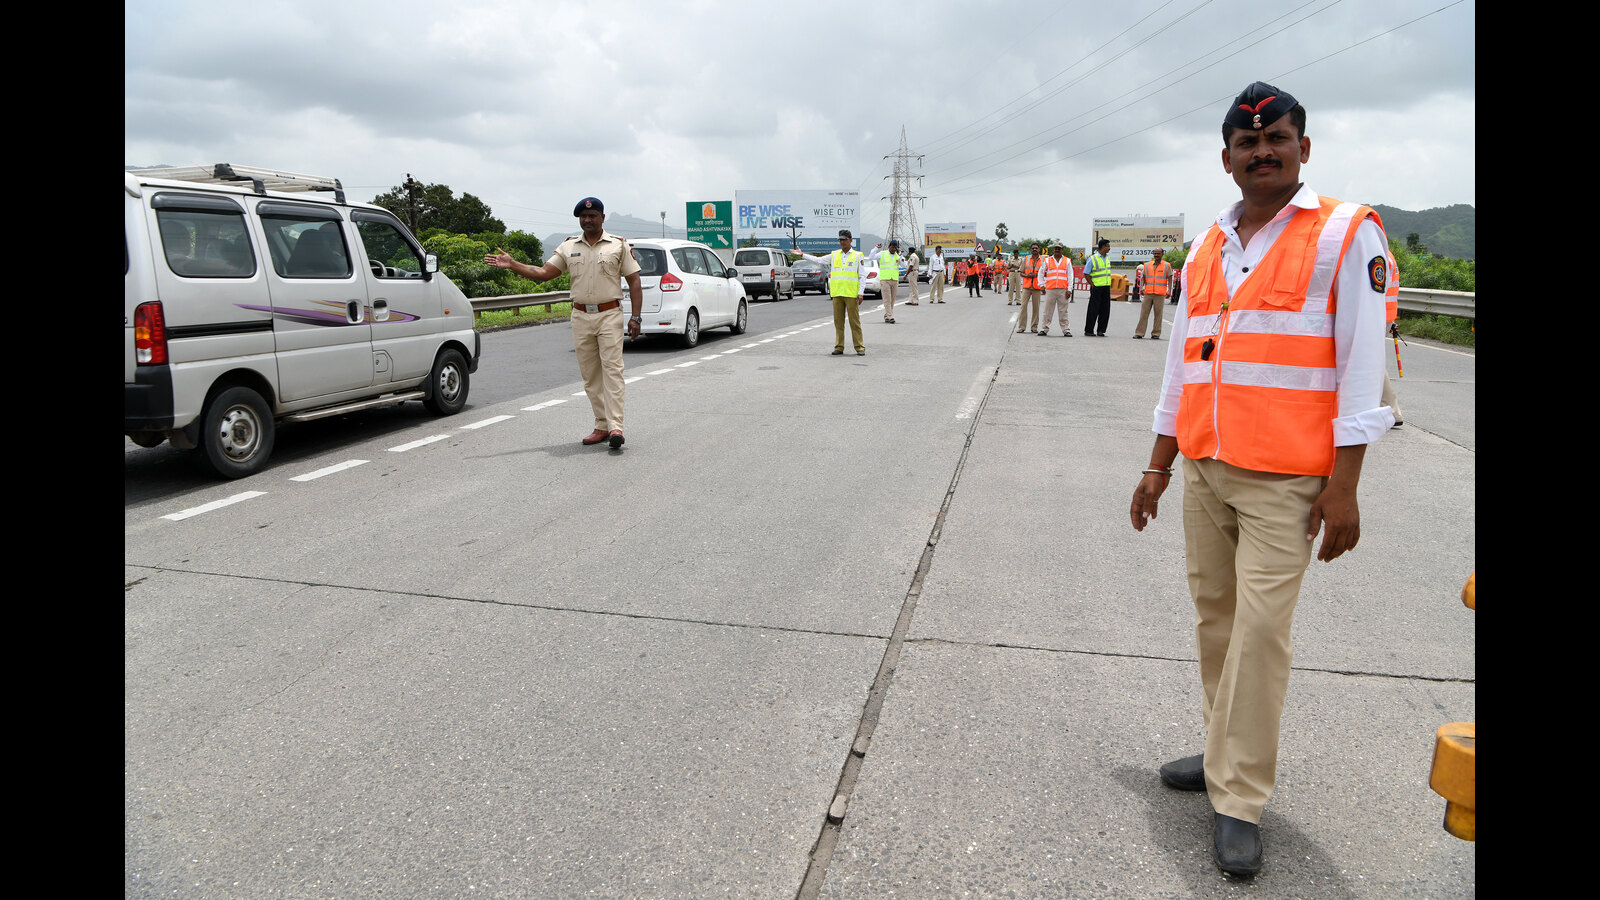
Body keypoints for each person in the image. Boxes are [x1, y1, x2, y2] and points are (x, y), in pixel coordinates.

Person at [1128, 82, 1396, 878]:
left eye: (1276, 138)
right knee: (1215, 619)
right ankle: (1221, 754)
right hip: (1207, 468)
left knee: (1261, 633)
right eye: (1247, 144)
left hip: (1288, 481)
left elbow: (1362, 369)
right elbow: (1185, 365)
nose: (1262, 151)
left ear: (1303, 149)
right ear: (1227, 158)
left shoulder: (1346, 233)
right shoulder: (1208, 245)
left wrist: (1344, 485)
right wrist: (1157, 465)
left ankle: (1239, 796)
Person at [485, 196, 641, 449]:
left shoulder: (618, 245)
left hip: (609, 314)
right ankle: (601, 426)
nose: (588, 220)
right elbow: (545, 273)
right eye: (583, 216)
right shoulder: (568, 247)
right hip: (580, 316)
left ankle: (616, 427)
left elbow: (634, 280)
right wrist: (513, 264)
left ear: (602, 217)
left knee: (613, 371)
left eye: (593, 216)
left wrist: (635, 317)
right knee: (590, 376)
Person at [793, 230, 867, 355]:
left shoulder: (858, 255)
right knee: (838, 321)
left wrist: (861, 293)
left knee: (854, 322)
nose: (842, 242)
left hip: (851, 293)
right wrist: (802, 255)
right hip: (837, 293)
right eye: (840, 240)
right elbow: (819, 260)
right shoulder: (834, 254)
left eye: (844, 239)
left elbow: (862, 276)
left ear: (850, 240)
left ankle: (859, 347)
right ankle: (839, 346)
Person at [1132, 247, 1172, 339]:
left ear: (1162, 254)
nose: (1156, 255)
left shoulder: (1166, 265)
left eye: (1158, 253)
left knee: (1158, 315)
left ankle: (1156, 333)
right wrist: (1141, 287)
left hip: (1160, 294)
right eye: (1155, 253)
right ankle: (1139, 333)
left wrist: (1169, 290)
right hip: (1148, 293)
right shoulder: (1147, 265)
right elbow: (1143, 277)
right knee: (1143, 314)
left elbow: (1170, 278)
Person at [1037, 243, 1074, 336]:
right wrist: (1041, 285)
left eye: (1059, 248)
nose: (1057, 250)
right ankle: (1044, 328)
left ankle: (1066, 330)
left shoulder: (1067, 261)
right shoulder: (1047, 260)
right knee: (1047, 310)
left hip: (1063, 290)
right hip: (1050, 289)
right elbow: (1040, 273)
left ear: (1062, 250)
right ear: (1053, 250)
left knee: (1063, 311)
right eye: (1055, 248)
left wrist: (1069, 289)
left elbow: (1070, 275)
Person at [1084, 238, 1112, 336]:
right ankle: (1089, 330)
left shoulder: (1107, 258)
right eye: (1108, 246)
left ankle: (1101, 330)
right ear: (1103, 247)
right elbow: (1086, 273)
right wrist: (1092, 285)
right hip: (1097, 287)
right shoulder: (1093, 258)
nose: (1109, 248)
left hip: (1106, 287)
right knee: (1093, 310)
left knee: (1105, 310)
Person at [1017, 244, 1043, 332]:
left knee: (1036, 308)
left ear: (1039, 250)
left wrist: (1036, 275)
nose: (1035, 249)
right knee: (1023, 307)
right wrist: (1027, 275)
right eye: (1033, 248)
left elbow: (1046, 273)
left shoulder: (1043, 260)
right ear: (1031, 250)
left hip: (1037, 287)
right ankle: (1021, 327)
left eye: (1036, 248)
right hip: (1027, 287)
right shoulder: (1026, 259)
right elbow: (1021, 272)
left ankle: (1034, 327)